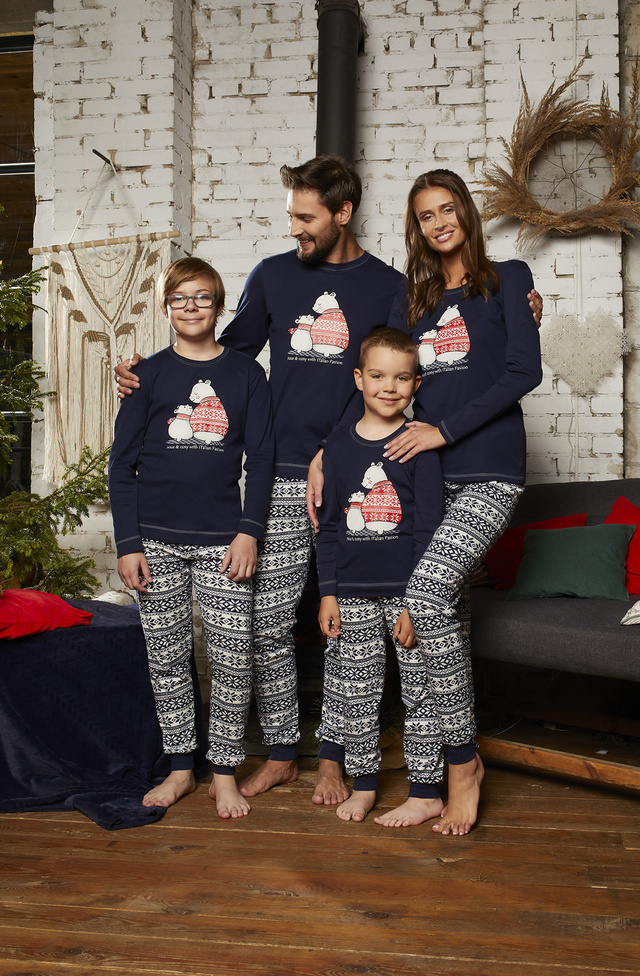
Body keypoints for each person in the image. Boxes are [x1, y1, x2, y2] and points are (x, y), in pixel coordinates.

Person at [115, 157, 543, 807]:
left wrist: (524, 308)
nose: (294, 227)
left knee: (371, 621)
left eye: (304, 216)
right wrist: (147, 373)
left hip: (367, 468)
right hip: (282, 474)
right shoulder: (276, 276)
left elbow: (407, 376)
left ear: (342, 214)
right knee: (268, 624)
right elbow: (223, 355)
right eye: (292, 215)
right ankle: (284, 753)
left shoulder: (397, 289)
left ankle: (354, 766)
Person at [374, 168, 542, 835]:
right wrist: (335, 450)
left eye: (448, 209)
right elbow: (387, 386)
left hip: (488, 471)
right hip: (425, 476)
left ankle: (464, 765)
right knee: (422, 624)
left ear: (466, 214)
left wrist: (443, 429)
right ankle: (424, 785)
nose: (439, 222)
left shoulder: (509, 280)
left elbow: (523, 370)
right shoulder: (410, 301)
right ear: (415, 228)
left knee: (425, 595)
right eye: (426, 215)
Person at [108, 257, 274, 819]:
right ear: (165, 308)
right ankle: (181, 768)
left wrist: (250, 531)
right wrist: (128, 543)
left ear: (219, 306)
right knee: (168, 657)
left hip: (224, 540)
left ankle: (223, 773)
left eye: (202, 297)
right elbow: (121, 466)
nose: (191, 307)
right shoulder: (147, 375)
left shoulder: (247, 375)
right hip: (154, 541)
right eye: (179, 298)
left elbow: (262, 461)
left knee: (232, 658)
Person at [316, 327, 444, 823]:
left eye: (401, 378)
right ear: (359, 379)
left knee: (421, 692)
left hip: (406, 593)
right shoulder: (337, 447)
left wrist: (416, 600)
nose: (389, 387)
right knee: (357, 691)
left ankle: (426, 788)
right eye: (378, 376)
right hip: (351, 592)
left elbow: (428, 529)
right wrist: (328, 594)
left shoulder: (418, 444)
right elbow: (329, 527)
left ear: (416, 384)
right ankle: (364, 783)